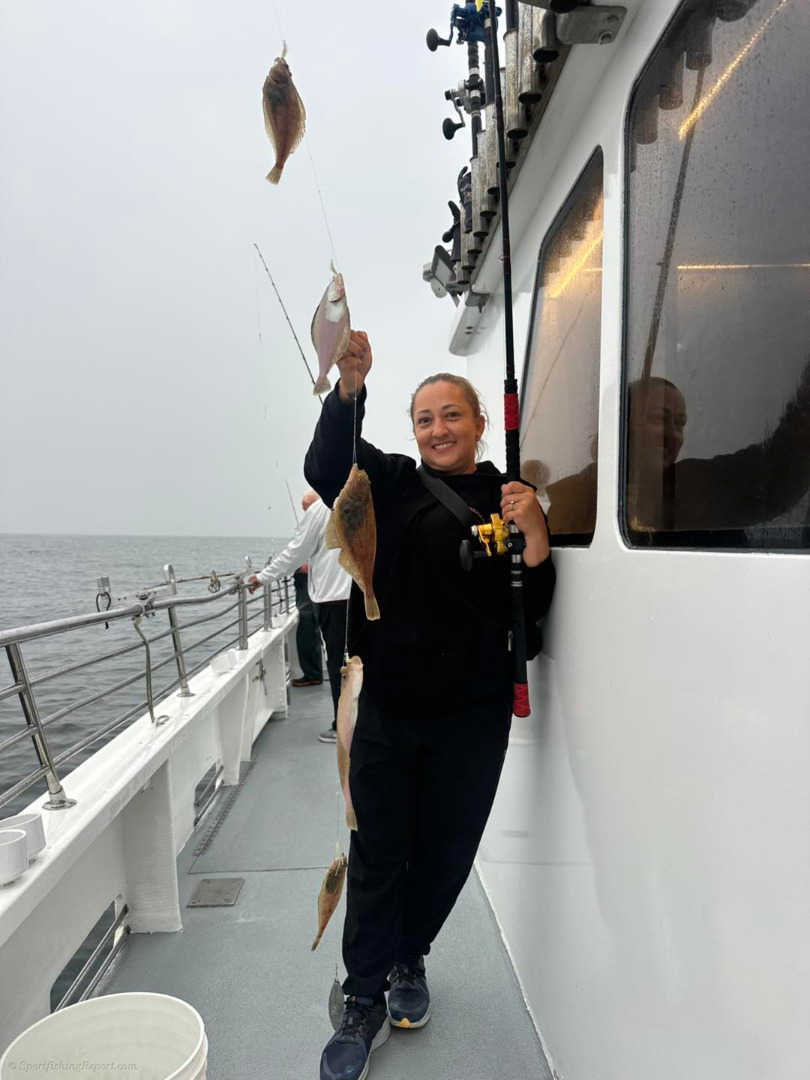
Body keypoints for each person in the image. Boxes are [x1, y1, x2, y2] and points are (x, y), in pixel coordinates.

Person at [304, 331, 556, 1080]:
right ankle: (362, 998)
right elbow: (326, 466)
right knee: (379, 853)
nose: (438, 429)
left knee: (446, 854)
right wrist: (349, 391)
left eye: (452, 415)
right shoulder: (390, 482)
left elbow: (534, 615)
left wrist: (536, 537)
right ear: (411, 431)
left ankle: (409, 954)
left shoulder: (511, 499)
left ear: (479, 422)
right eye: (424, 418)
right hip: (387, 708)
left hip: (473, 717)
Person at [248, 490, 351, 743]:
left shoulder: (320, 510)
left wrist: (262, 578)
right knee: (362, 662)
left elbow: (294, 553)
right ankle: (368, 723)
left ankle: (343, 727)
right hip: (363, 596)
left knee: (338, 664)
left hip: (334, 600)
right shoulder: (362, 499)